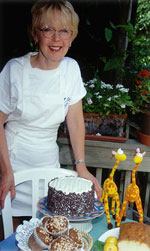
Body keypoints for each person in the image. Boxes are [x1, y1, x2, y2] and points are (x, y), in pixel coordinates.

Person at [0, 0, 102, 220]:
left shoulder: (71, 69)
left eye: (64, 30)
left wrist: (81, 166)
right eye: (48, 30)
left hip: (48, 165)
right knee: (11, 230)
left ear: (72, 36)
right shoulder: (15, 70)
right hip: (12, 163)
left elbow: (74, 120)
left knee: (48, 229)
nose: (57, 39)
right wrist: (6, 172)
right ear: (35, 34)